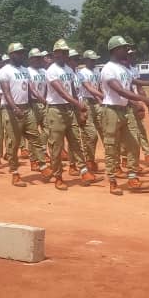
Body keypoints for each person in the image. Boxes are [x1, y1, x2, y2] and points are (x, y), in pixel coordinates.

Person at [100, 36, 149, 196]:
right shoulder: (108, 69)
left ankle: (132, 177)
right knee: (111, 147)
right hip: (111, 111)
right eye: (123, 48)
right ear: (115, 50)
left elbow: (132, 83)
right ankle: (113, 181)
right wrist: (144, 99)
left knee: (133, 144)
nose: (126, 50)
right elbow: (120, 90)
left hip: (125, 110)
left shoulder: (124, 68)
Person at [45, 40, 98, 189]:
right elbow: (61, 91)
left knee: (75, 141)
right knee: (57, 145)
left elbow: (73, 90)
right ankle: (58, 176)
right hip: (56, 110)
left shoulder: (69, 70)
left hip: (69, 109)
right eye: (61, 52)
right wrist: (79, 104)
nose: (64, 55)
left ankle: (83, 170)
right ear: (55, 53)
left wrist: (78, 110)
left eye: (66, 52)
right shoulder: (51, 70)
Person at [0, 42, 52, 187]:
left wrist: (44, 101)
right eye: (18, 53)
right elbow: (6, 92)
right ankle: (15, 173)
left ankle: (42, 166)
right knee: (14, 143)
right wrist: (15, 108)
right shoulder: (4, 71)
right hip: (10, 109)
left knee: (35, 137)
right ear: (11, 55)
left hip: (27, 109)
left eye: (22, 53)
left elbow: (32, 89)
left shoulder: (25, 70)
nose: (21, 55)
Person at [78, 50, 104, 170]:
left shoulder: (96, 71)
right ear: (86, 60)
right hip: (86, 103)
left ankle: (114, 162)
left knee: (105, 132)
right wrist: (104, 97)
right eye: (92, 60)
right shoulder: (82, 73)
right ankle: (89, 160)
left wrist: (101, 100)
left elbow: (99, 87)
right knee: (91, 135)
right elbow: (89, 88)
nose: (94, 62)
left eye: (95, 59)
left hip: (97, 103)